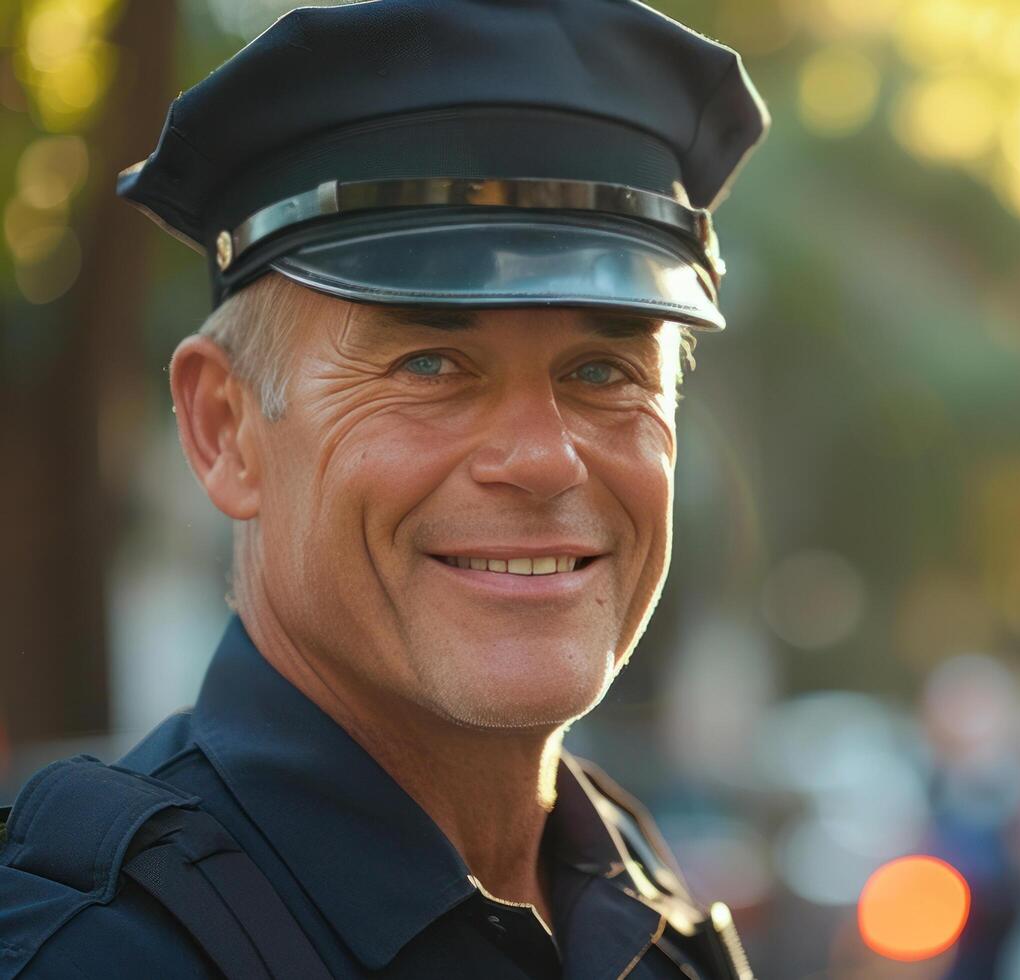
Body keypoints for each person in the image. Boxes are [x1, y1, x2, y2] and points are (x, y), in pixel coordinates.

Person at [0, 0, 767, 976]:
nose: (543, 458)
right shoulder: (91, 955)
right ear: (225, 430)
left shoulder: (653, 929)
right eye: (432, 363)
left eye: (602, 372)